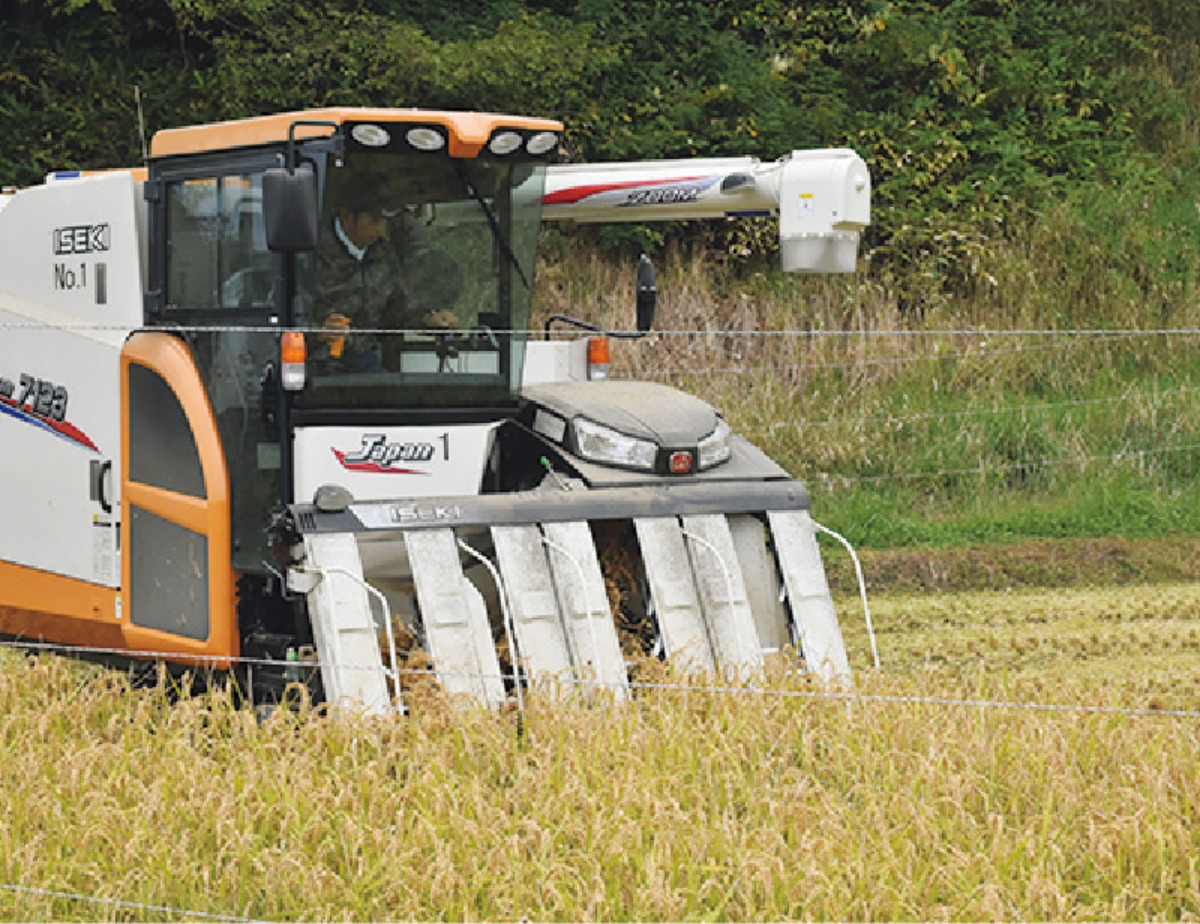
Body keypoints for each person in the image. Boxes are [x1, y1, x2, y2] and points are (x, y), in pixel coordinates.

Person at [313, 172, 461, 373]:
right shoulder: (310, 253)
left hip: (365, 362)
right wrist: (318, 332)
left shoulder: (383, 255)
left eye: (384, 221)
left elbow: (395, 314)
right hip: (312, 363)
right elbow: (281, 317)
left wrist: (428, 319)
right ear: (347, 216)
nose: (380, 229)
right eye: (373, 220)